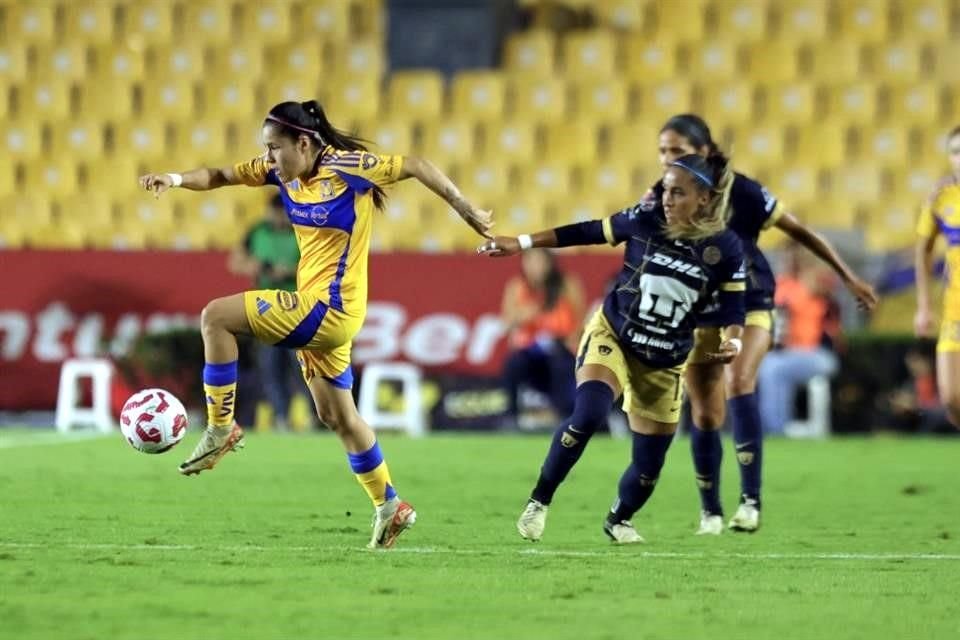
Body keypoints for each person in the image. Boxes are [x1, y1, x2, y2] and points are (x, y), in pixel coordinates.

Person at [139, 99, 492, 548]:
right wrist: (172, 179)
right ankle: (390, 505)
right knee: (338, 416)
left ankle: (221, 427)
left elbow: (415, 165)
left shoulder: (347, 168)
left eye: (274, 148)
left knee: (215, 317)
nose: (269, 159)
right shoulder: (283, 172)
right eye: (266, 150)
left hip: (331, 309)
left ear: (303, 143)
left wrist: (464, 208)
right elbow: (220, 175)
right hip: (317, 310)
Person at [480, 153, 746, 544]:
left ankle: (619, 518)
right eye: (666, 190)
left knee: (647, 468)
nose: (667, 199)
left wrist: (733, 338)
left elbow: (735, 305)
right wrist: (521, 243)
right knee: (587, 413)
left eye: (678, 192)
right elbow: (586, 231)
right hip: (614, 336)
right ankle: (540, 501)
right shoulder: (646, 218)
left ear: (704, 199)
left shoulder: (724, 247)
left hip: (666, 361)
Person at [655, 114, 878, 535]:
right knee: (704, 410)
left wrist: (848, 277)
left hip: (750, 301)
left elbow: (802, 231)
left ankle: (751, 503)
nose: (668, 159)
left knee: (740, 379)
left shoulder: (744, 192)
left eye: (677, 150)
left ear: (704, 151)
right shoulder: (663, 194)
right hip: (699, 312)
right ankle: (710, 512)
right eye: (663, 151)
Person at [228, 193, 305, 431]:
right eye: (275, 212)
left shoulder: (303, 231)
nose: (278, 217)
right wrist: (261, 266)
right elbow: (235, 262)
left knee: (303, 366)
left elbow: (320, 266)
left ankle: (314, 416)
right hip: (266, 309)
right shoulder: (257, 231)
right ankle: (282, 417)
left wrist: (291, 271)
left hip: (298, 308)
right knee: (271, 367)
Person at [757, 245, 840, 435]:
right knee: (770, 366)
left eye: (795, 255)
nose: (790, 260)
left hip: (821, 355)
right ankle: (765, 426)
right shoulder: (782, 284)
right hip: (789, 355)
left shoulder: (818, 283)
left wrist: (809, 268)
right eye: (786, 256)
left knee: (773, 367)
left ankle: (775, 430)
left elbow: (826, 285)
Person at [500, 248, 584, 427]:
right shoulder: (517, 286)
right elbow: (507, 324)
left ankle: (565, 417)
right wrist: (524, 315)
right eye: (530, 262)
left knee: (560, 364)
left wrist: (572, 340)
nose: (535, 267)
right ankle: (510, 416)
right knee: (513, 363)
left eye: (540, 262)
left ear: (550, 263)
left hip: (560, 346)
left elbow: (580, 321)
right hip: (531, 348)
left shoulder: (566, 284)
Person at [915, 124, 960, 429]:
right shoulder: (941, 197)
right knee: (951, 398)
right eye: (956, 151)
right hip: (954, 310)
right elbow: (923, 250)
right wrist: (924, 306)